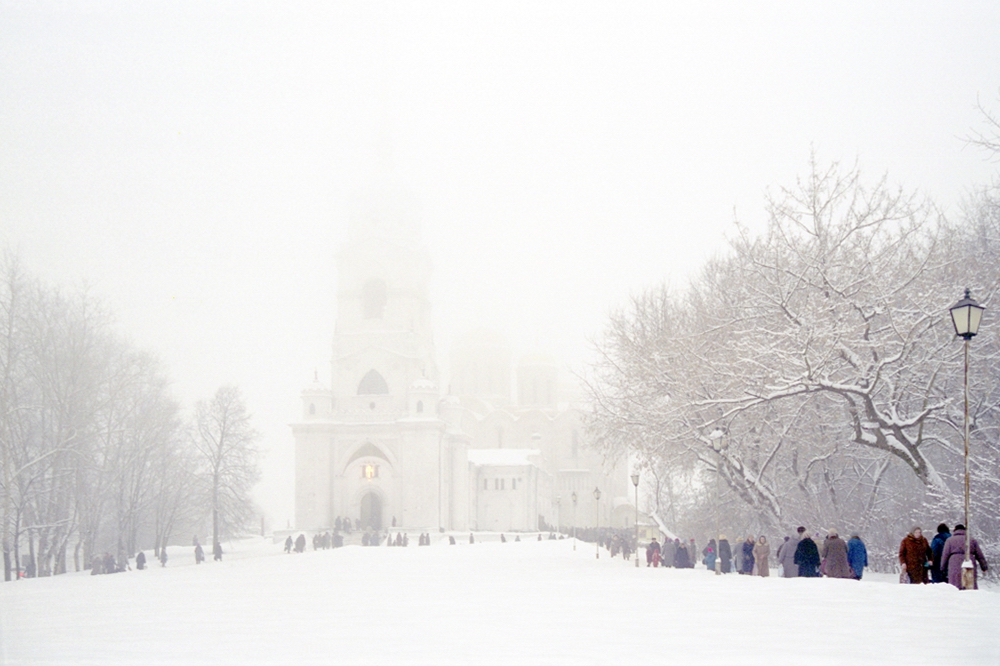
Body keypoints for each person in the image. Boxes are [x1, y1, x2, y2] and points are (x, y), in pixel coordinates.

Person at [940, 524, 989, 590]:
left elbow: (945, 555)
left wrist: (942, 568)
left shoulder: (949, 540)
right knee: (969, 581)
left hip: (954, 562)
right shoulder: (971, 540)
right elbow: (979, 555)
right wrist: (984, 566)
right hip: (969, 559)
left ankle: (956, 595)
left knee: (955, 583)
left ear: (955, 531)